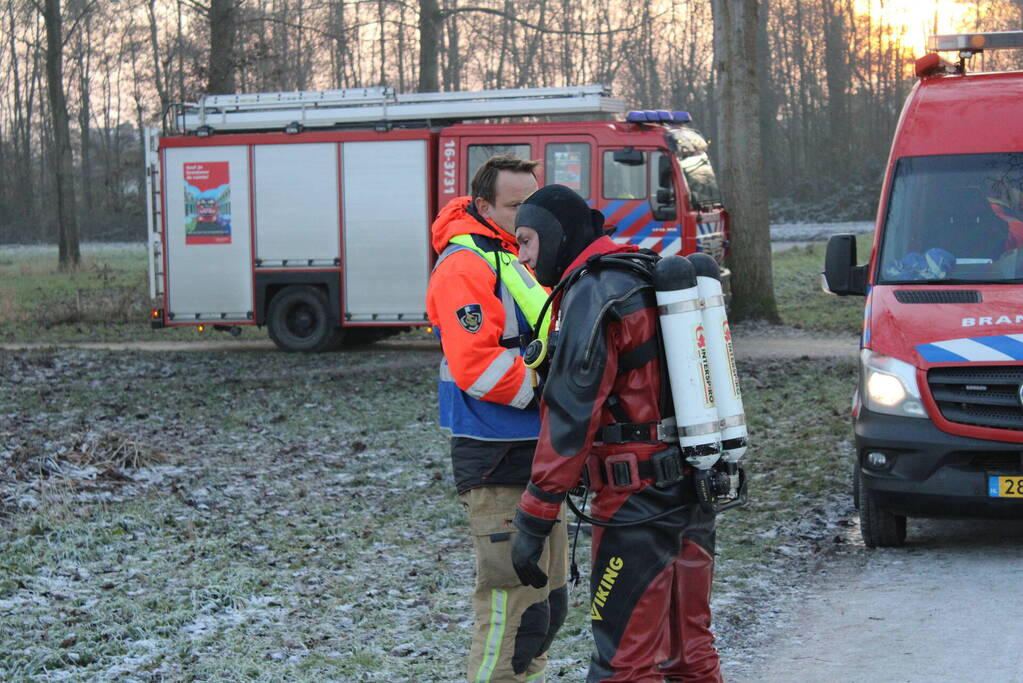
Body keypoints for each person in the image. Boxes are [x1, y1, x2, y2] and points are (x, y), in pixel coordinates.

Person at [509, 184, 723, 682]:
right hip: (695, 485)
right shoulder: (648, 272)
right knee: (689, 650)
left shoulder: (593, 291)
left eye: (526, 241)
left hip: (633, 503)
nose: (522, 256)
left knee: (622, 662)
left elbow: (570, 415)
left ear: (555, 236)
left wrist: (534, 518)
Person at [425, 155, 569, 683]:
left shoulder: (511, 256)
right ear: (483, 206)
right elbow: (476, 366)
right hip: (495, 457)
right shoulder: (466, 265)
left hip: (534, 453)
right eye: (513, 206)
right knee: (512, 610)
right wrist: (552, 389)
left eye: (528, 203)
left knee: (544, 609)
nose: (524, 215)